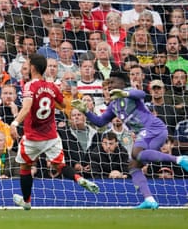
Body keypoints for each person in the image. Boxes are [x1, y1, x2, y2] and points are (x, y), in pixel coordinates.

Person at [71, 71, 188, 209]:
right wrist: (85, 111)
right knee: (133, 166)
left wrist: (125, 94)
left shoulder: (129, 93)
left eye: (110, 87)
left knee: (136, 152)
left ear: (119, 86)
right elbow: (100, 122)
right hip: (146, 134)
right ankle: (149, 200)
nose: (107, 90)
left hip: (154, 128)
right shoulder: (113, 106)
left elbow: (143, 94)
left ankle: (180, 159)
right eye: (106, 88)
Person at [10, 53, 99, 210]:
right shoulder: (51, 87)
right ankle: (78, 179)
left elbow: (27, 106)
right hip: (51, 136)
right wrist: (51, 99)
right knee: (59, 165)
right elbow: (64, 105)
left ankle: (27, 201)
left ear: (32, 67)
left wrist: (15, 122)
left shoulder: (30, 85)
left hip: (32, 137)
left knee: (25, 167)